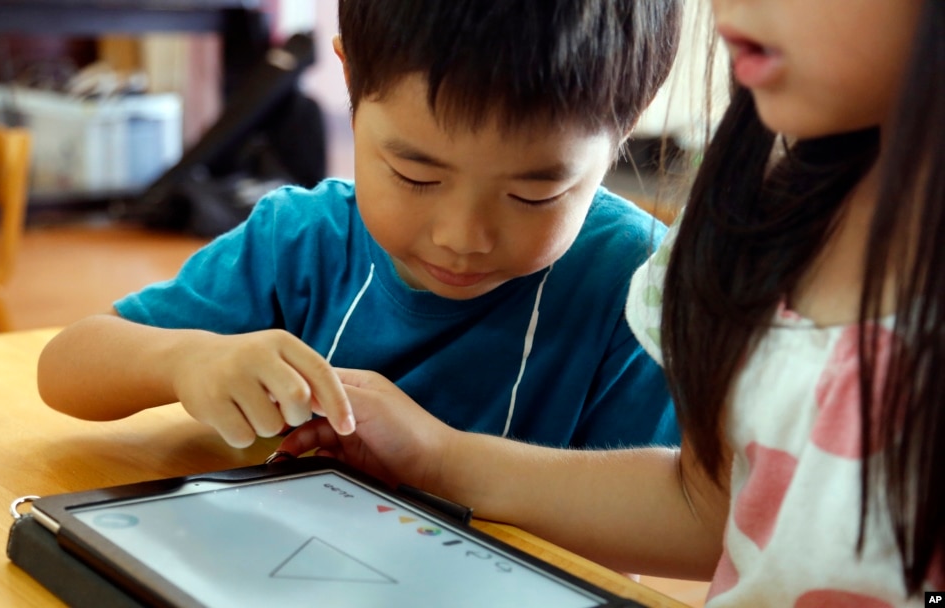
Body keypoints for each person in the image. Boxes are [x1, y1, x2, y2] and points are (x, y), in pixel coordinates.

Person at [277, 0, 945, 605]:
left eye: (534, 194)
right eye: (417, 175)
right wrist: (438, 457)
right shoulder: (738, 233)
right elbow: (708, 507)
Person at [37, 0, 683, 451]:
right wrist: (185, 359)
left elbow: (664, 516)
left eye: (534, 192)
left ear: (628, 119)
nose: (462, 236)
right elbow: (67, 368)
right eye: (416, 176)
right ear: (350, 79)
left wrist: (445, 463)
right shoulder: (302, 241)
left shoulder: (642, 282)